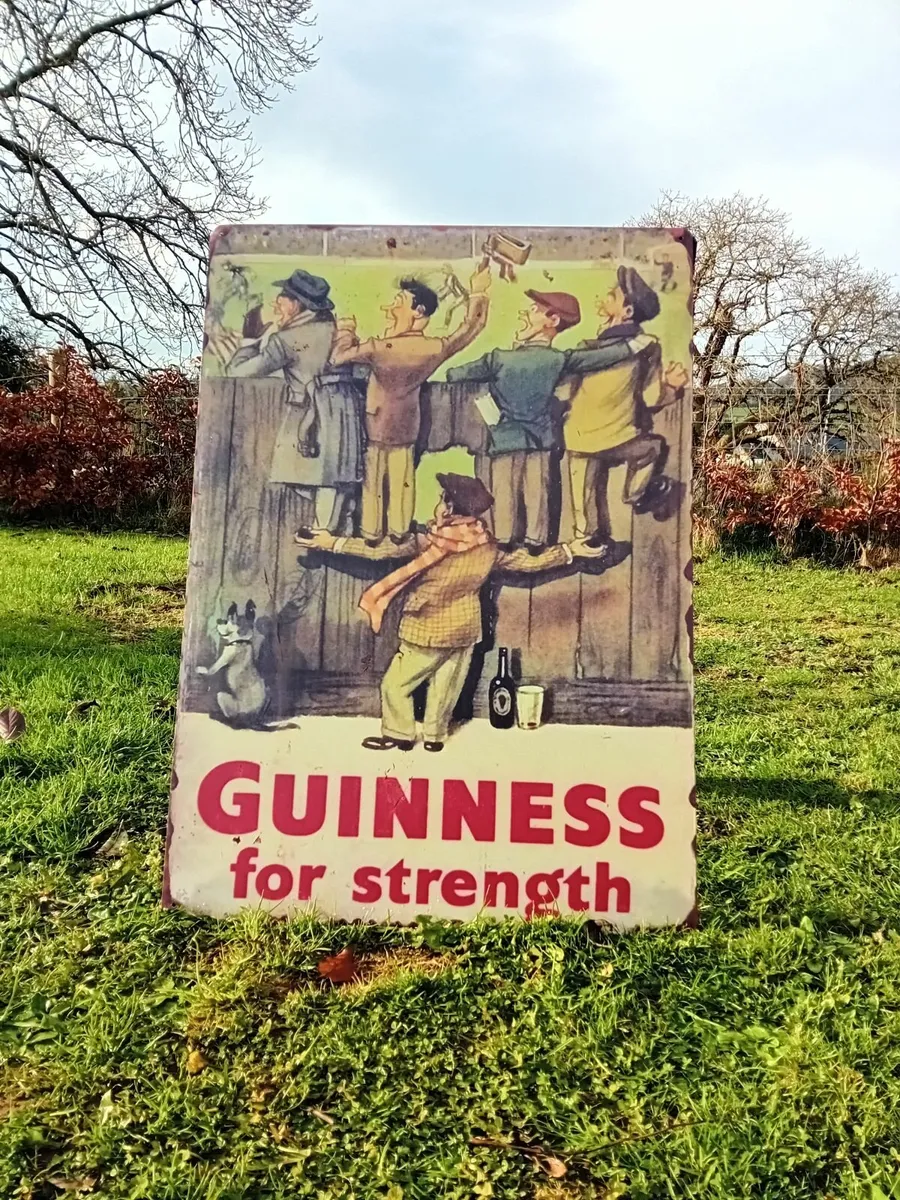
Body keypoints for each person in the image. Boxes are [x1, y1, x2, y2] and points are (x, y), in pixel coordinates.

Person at [295, 472, 605, 752]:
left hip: (425, 626)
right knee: (445, 687)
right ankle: (434, 737)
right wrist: (570, 550)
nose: (437, 503)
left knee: (394, 685)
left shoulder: (427, 540)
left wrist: (330, 542)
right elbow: (528, 562)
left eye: (442, 497)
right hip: (465, 629)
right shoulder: (487, 546)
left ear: (449, 507)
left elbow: (378, 550)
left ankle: (400, 733)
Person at [446, 290, 653, 550]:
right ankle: (536, 539)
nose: (525, 313)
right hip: (541, 439)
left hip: (503, 438)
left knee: (503, 491)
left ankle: (506, 539)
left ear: (552, 320)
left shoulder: (499, 358)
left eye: (533, 310)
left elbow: (456, 375)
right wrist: (633, 346)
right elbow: (594, 359)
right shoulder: (556, 359)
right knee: (537, 492)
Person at [330, 266, 491, 545]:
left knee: (373, 481)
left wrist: (346, 330)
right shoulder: (432, 348)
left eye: (399, 302)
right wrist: (478, 292)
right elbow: (470, 328)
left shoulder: (379, 347)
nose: (391, 307)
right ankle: (399, 532)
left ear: (418, 311)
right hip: (407, 424)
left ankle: (371, 533)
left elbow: (339, 357)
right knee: (403, 478)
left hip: (376, 422)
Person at [215, 269, 363, 532]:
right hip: (345, 408)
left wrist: (250, 339)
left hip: (311, 412)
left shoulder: (285, 340)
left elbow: (238, 372)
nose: (277, 303)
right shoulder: (338, 330)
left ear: (296, 304)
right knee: (334, 476)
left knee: (320, 476)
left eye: (282, 297)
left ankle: (324, 531)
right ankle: (341, 523)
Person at [563, 266, 689, 551]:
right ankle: (635, 494)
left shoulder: (586, 348)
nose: (604, 298)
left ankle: (586, 537)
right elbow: (652, 397)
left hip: (579, 436)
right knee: (652, 447)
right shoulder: (647, 348)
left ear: (627, 311)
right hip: (619, 437)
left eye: (611, 295)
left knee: (583, 488)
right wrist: (672, 386)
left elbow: (565, 389)